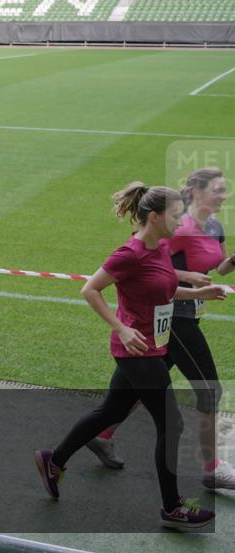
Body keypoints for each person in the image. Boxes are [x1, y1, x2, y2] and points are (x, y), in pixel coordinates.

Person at [35, 183, 225, 530]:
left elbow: (163, 287)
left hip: (152, 345)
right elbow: (90, 289)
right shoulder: (129, 253)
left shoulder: (161, 248)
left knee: (112, 410)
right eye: (175, 215)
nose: (180, 221)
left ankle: (54, 460)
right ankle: (173, 507)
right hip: (136, 350)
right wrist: (120, 328)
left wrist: (202, 292)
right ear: (154, 217)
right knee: (171, 423)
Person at [85, 168, 235, 491]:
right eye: (218, 190)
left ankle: (98, 437)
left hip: (181, 316)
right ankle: (212, 469)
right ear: (196, 192)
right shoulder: (178, 228)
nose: (224, 195)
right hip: (173, 316)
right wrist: (188, 279)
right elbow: (152, 262)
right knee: (210, 390)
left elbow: (217, 267)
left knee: (133, 390)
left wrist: (231, 263)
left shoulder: (214, 226)